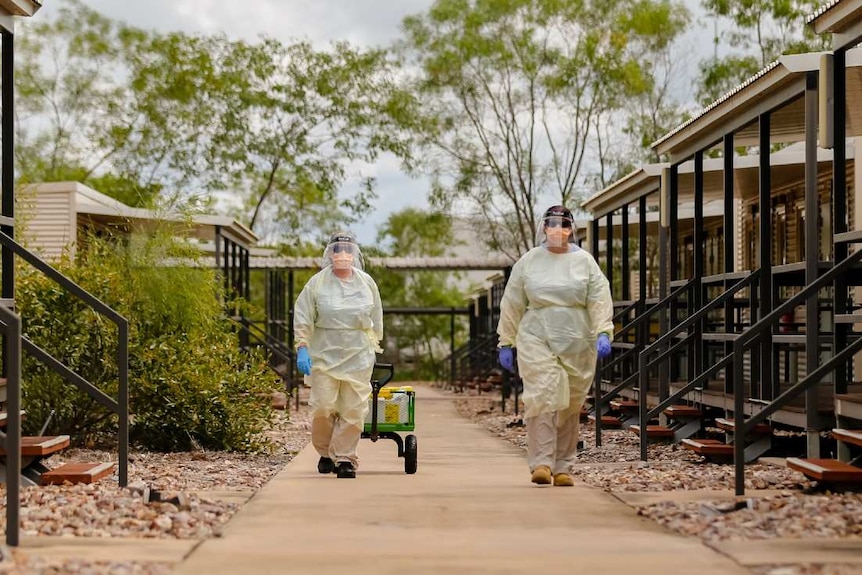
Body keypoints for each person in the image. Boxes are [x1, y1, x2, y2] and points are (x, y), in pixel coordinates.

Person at [496, 205, 614, 487]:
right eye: (552, 224)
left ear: (571, 228)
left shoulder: (585, 262)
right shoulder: (530, 261)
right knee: (543, 396)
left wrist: (603, 331)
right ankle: (542, 463)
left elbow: (599, 298)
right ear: (544, 227)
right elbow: (512, 301)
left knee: (569, 404)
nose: (557, 230)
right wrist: (506, 340)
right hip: (537, 336)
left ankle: (563, 466)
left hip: (577, 339)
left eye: (563, 224)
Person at [294, 232, 384, 479]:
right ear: (330, 254)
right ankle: (325, 452)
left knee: (354, 407)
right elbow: (302, 315)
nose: (343, 255)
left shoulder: (367, 283)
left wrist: (375, 343)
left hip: (358, 353)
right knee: (324, 406)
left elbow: (376, 318)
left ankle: (345, 458)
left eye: (347, 250)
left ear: (354, 254)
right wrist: (302, 346)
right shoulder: (317, 284)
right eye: (338, 250)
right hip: (324, 352)